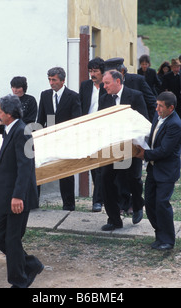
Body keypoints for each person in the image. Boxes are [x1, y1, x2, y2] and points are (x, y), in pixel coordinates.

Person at [0, 94, 44, 288]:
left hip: (17, 197)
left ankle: (19, 281)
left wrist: (18, 196)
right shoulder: (9, 129)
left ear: (10, 114)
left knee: (12, 239)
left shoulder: (23, 132)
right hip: (5, 196)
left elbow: (25, 167)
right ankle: (31, 264)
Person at [98, 70, 149, 231]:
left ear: (118, 81)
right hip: (112, 147)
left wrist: (141, 148)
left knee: (133, 178)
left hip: (132, 146)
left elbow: (143, 121)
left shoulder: (135, 96)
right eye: (103, 84)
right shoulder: (104, 99)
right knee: (106, 179)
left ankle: (137, 205)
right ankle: (114, 219)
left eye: (107, 83)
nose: (104, 86)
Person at [134, 91, 181, 251]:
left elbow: (164, 151)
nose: (157, 109)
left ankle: (168, 240)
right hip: (154, 169)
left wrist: (144, 154)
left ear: (171, 108)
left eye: (160, 106)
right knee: (149, 203)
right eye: (157, 104)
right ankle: (159, 235)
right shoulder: (158, 117)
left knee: (162, 204)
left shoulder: (175, 124)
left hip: (166, 171)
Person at [37, 67, 81, 211]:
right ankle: (33, 201)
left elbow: (76, 120)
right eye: (49, 79)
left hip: (66, 140)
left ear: (62, 80)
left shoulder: (73, 96)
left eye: (54, 80)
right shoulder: (45, 95)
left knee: (66, 172)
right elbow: (41, 119)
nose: (51, 83)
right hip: (49, 139)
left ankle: (68, 205)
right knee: (39, 168)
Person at [79, 57, 106, 212]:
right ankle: (99, 197)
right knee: (92, 165)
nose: (92, 74)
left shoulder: (106, 86)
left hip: (103, 129)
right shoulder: (85, 86)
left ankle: (98, 201)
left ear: (102, 72)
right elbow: (81, 105)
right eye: (90, 71)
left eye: (95, 71)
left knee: (101, 166)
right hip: (88, 129)